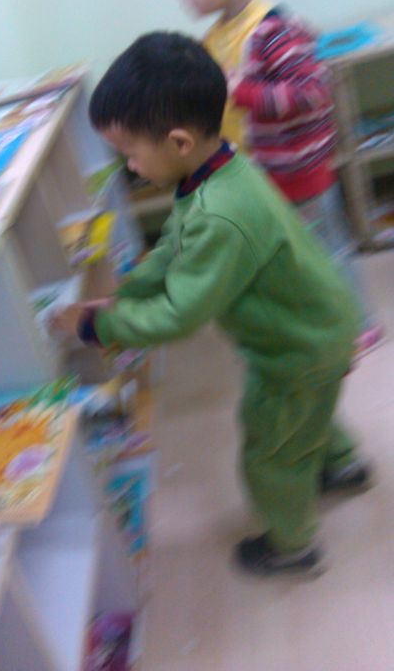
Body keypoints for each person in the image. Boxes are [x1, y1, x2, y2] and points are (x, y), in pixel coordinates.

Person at [52, 32, 371, 576]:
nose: (130, 168)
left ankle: (293, 545)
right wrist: (128, 292)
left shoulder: (219, 214)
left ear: (178, 142)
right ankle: (343, 466)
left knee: (273, 444)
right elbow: (175, 248)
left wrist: (98, 326)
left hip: (296, 346)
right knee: (306, 410)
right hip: (319, 324)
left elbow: (181, 313)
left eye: (131, 154)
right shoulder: (218, 170)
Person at [166, 0, 384, 357]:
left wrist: (242, 90)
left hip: (300, 174)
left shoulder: (273, 30)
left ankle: (359, 326)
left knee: (328, 250)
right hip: (262, 175)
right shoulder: (217, 37)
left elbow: (311, 92)